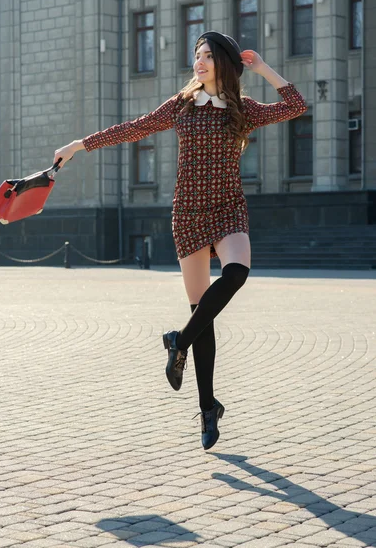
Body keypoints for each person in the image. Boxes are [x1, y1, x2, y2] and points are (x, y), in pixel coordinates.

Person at [54, 30, 307, 451]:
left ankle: (178, 342)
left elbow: (296, 105)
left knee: (237, 273)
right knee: (201, 312)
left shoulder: (243, 109)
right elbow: (135, 129)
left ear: (223, 62)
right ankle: (208, 409)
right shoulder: (182, 106)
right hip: (188, 214)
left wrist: (262, 68)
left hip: (227, 209)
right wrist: (81, 145)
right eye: (197, 56)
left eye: (208, 56)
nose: (200, 62)